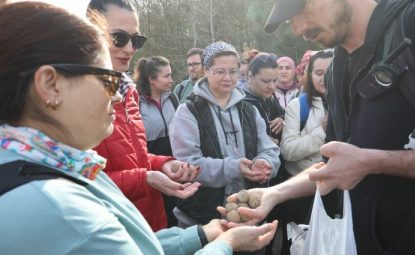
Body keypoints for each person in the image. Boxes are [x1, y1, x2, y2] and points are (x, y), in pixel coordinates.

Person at [0, 3, 279, 254]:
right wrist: (225, 245)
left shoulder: (64, 168)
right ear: (50, 85)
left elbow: (136, 244)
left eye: (136, 40)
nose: (118, 96)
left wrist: (202, 234)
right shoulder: (61, 209)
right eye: (107, 79)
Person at [221, 0, 415, 254]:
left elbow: (361, 162)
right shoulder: (337, 67)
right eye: (290, 21)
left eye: (300, 10)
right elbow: (335, 166)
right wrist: (274, 194)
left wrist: (375, 161)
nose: (297, 30)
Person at [88, 0, 200, 231]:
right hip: (113, 227)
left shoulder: (126, 91)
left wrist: (163, 165)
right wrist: (145, 178)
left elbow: (133, 156)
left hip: (149, 219)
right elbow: (81, 178)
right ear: (91, 31)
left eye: (137, 40)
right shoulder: (77, 96)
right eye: (119, 38)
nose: (130, 48)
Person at [169, 41, 281, 229]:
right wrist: (234, 167)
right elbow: (188, 164)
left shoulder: (249, 110)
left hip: (248, 212)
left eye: (233, 71)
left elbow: (269, 149)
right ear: (206, 70)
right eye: (220, 71)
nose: (227, 78)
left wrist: (266, 163)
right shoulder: (188, 112)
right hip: (203, 217)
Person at [134, 55, 185, 227]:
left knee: (174, 211)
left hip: (173, 164)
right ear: (151, 79)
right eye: (166, 76)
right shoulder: (137, 103)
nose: (171, 80)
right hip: (151, 167)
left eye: (171, 75)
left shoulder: (172, 98)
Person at [281, 49, 333, 177]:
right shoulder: (297, 105)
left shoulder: (352, 104)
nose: (324, 78)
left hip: (342, 182)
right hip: (305, 183)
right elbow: (287, 151)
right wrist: (322, 130)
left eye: (331, 72)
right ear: (310, 75)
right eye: (319, 73)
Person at [243, 53, 284, 146]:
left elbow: (284, 113)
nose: (272, 87)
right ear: (250, 77)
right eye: (266, 81)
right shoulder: (240, 103)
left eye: (275, 81)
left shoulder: (270, 96)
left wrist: (282, 120)